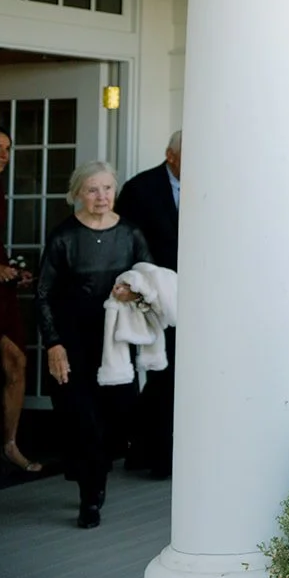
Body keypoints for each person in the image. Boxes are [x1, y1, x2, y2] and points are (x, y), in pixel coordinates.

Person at [37, 161, 151, 528]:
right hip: (74, 341)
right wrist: (53, 343)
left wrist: (133, 291)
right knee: (82, 419)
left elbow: (151, 282)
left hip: (115, 340)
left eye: (106, 188)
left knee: (117, 416)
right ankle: (90, 495)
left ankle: (95, 472)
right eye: (92, 189)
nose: (101, 196)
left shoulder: (132, 234)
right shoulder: (63, 237)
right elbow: (43, 294)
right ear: (77, 194)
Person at [115, 130, 180, 477]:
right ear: (170, 154)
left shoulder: (212, 180)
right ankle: (151, 454)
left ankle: (148, 449)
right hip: (152, 296)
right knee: (161, 372)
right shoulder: (140, 189)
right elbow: (128, 242)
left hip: (196, 297)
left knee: (177, 376)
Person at [0, 123, 41, 474]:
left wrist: (9, 271)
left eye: (8, 148)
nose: (5, 155)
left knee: (16, 360)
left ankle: (10, 444)